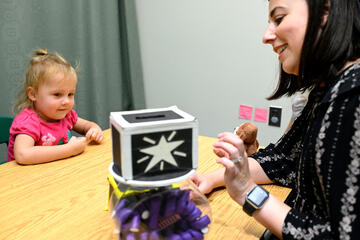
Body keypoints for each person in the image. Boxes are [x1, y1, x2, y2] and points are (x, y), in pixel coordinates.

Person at [191, 0, 360, 239]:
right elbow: (285, 158)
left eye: (279, 19)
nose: (266, 36)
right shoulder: (327, 90)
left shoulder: (351, 100)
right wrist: (214, 178)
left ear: (325, 12)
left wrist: (248, 194)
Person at [7, 49, 104, 164]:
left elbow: (87, 126)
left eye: (70, 94)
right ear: (33, 94)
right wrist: (69, 150)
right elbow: (23, 155)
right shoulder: (28, 122)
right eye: (57, 94)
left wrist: (94, 130)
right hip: (25, 179)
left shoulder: (66, 116)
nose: (66, 101)